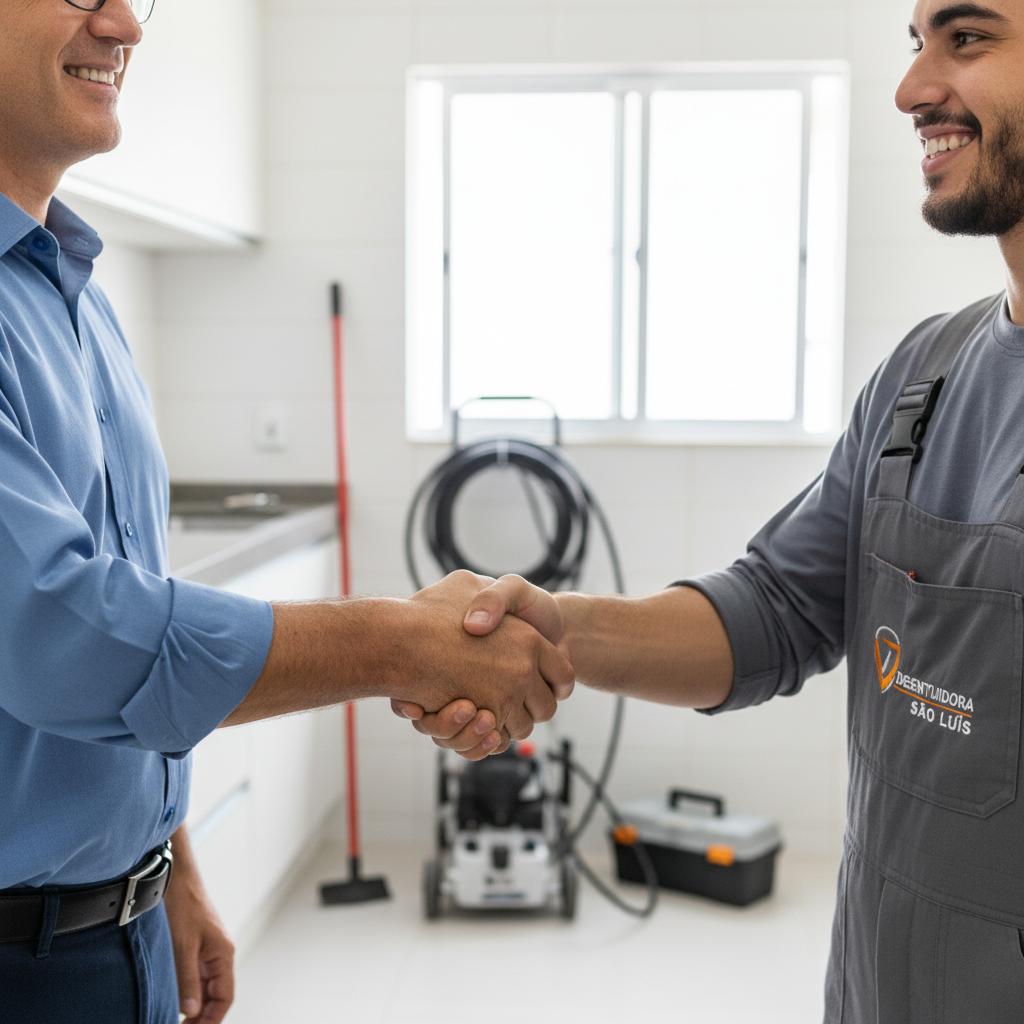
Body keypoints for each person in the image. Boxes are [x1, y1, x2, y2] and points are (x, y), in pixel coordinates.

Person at [397, 0, 1024, 1018]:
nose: (911, 89)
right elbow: (776, 608)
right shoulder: (923, 376)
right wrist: (546, 627)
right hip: (877, 982)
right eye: (916, 46)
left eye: (968, 38)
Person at [0, 2, 573, 1022]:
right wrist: (401, 642)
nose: (125, 23)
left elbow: (126, 618)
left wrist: (167, 865)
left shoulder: (74, 293)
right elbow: (60, 633)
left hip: (122, 924)